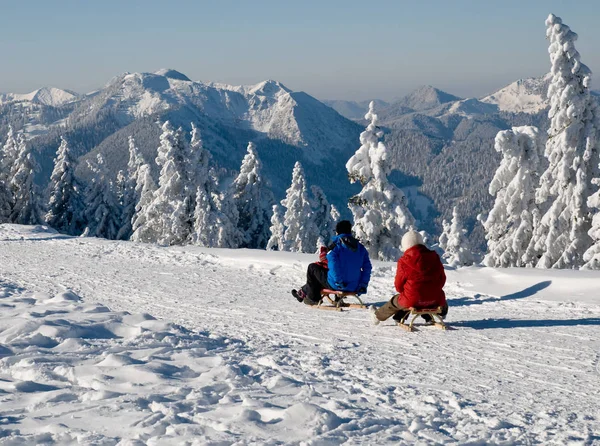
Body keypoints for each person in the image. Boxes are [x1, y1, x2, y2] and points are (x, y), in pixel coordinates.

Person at [372, 230, 447, 325]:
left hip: (412, 300)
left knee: (395, 301)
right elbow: (442, 280)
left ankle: (377, 316)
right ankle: (440, 312)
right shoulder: (435, 258)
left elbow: (398, 286)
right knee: (435, 295)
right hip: (435, 299)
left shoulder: (404, 261)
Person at [292, 220, 372, 306]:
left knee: (312, 268)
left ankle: (313, 298)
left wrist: (339, 282)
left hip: (338, 285)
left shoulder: (335, 247)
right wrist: (363, 284)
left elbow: (333, 266)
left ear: (337, 232)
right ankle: (337, 299)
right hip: (354, 286)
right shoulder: (360, 248)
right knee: (330, 273)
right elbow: (367, 267)